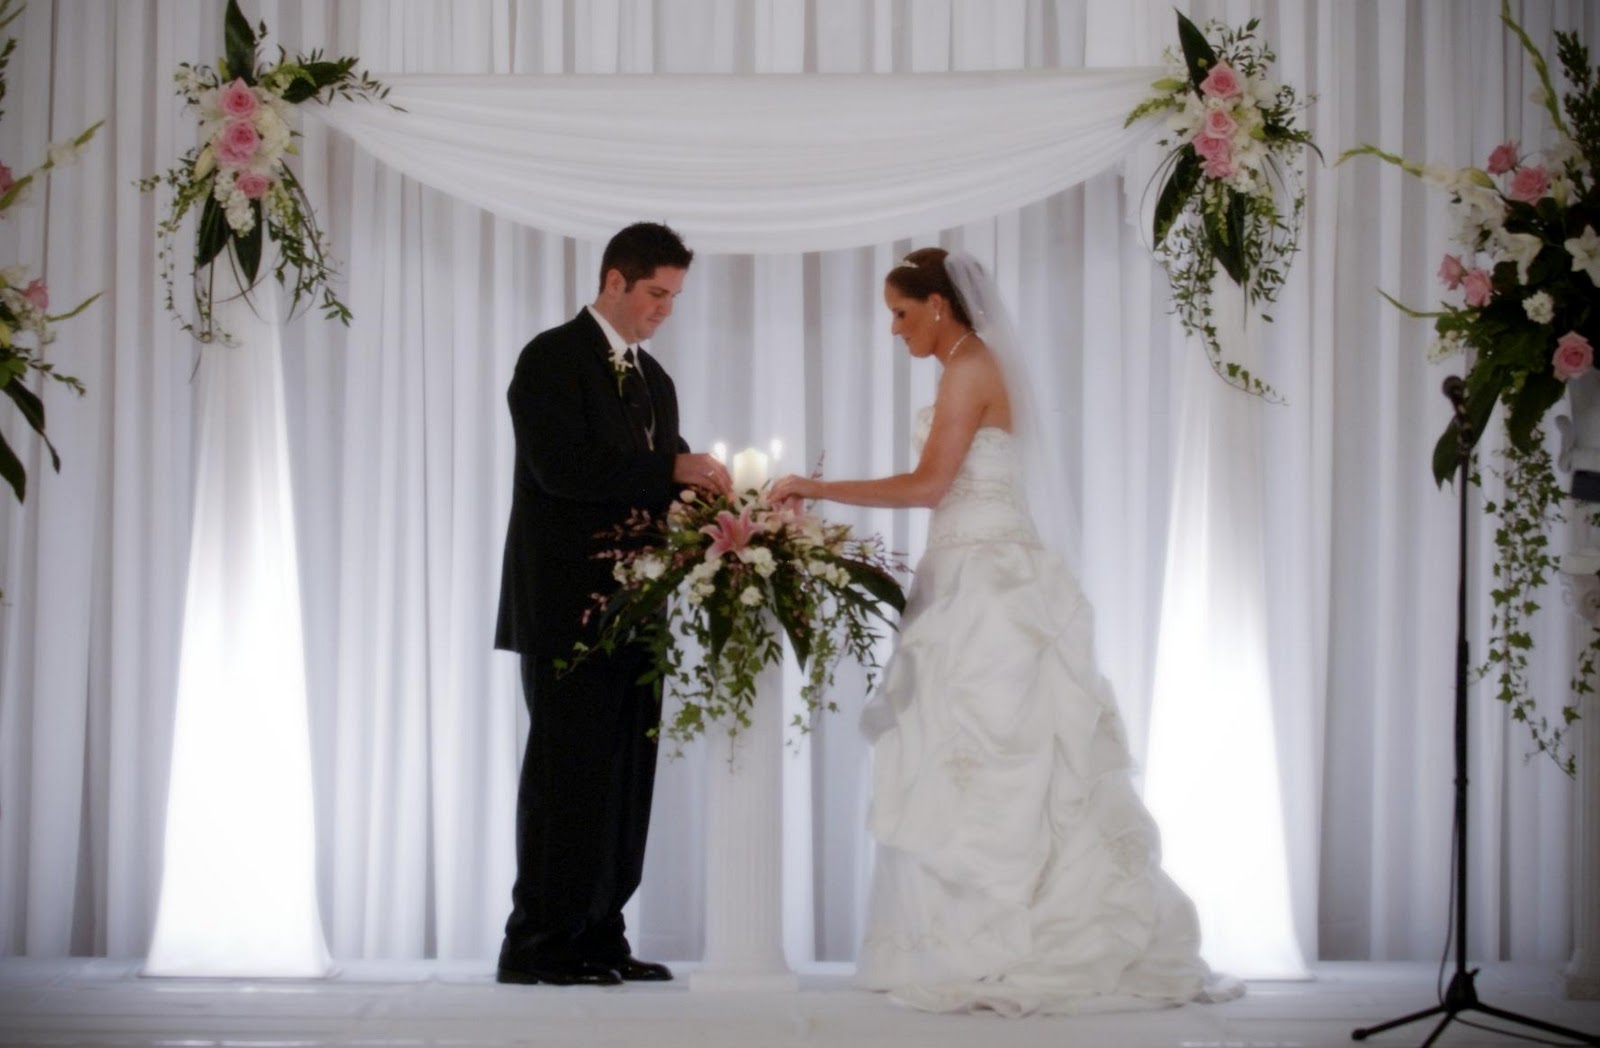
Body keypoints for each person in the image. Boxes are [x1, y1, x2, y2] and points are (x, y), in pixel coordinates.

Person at [770, 248, 1239, 1016]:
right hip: (968, 575)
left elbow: (929, 486)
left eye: (901, 312)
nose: (895, 330)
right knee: (972, 749)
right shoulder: (974, 364)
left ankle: (1001, 941)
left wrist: (812, 487)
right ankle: (964, 937)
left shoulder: (968, 370)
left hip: (988, 586)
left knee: (988, 749)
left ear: (939, 306)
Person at [494, 222, 731, 986]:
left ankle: (600, 932)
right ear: (614, 282)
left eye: (674, 297)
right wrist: (671, 468)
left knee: (627, 780)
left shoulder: (654, 379)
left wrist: (726, 517)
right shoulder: (550, 359)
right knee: (568, 780)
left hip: (639, 613)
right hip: (566, 606)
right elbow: (563, 469)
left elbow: (669, 483)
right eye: (656, 293)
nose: (666, 310)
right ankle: (540, 945)